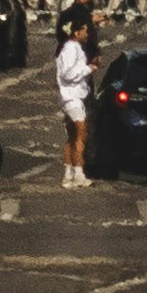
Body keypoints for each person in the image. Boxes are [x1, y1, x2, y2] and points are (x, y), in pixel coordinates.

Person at [55, 18, 94, 184]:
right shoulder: (70, 49)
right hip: (71, 97)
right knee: (81, 133)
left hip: (73, 96)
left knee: (72, 135)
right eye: (85, 30)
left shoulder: (74, 48)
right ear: (76, 33)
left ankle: (68, 173)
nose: (87, 33)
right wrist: (88, 69)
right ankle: (79, 174)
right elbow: (67, 74)